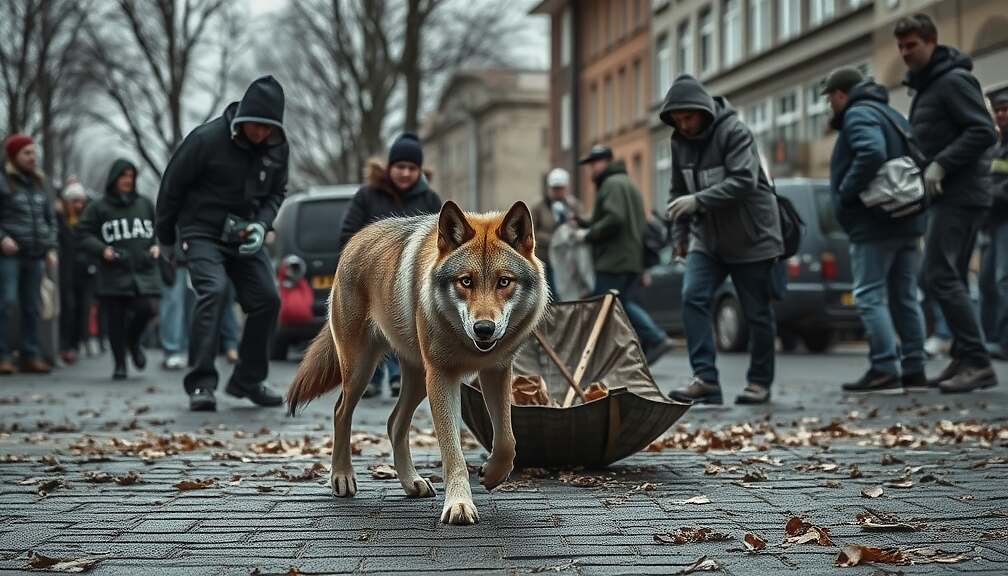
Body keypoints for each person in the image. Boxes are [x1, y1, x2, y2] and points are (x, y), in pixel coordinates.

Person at [156, 75, 288, 411]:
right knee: (213, 291)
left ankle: (249, 380)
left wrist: (261, 224)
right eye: (254, 126)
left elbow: (276, 192)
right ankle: (201, 383)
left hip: (245, 234)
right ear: (242, 119)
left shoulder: (277, 146)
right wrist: (167, 241)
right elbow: (171, 188)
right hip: (202, 231)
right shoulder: (205, 140)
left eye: (267, 128)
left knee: (268, 299)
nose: (260, 134)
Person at [659, 75, 782, 405]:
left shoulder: (734, 132)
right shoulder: (678, 143)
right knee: (692, 298)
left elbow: (743, 180)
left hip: (751, 237)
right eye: (677, 119)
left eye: (689, 117)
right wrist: (679, 238)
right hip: (707, 239)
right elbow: (677, 193)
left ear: (704, 111)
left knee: (756, 313)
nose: (683, 125)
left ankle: (759, 382)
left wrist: (698, 200)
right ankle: (706, 379)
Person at [895, 14, 998, 393]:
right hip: (948, 195)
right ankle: (964, 357)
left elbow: (984, 131)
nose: (906, 53)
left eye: (913, 45)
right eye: (901, 47)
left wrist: (941, 164)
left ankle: (977, 362)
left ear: (932, 41)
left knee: (939, 275)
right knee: (943, 276)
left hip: (961, 194)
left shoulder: (953, 81)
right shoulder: (928, 87)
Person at [820, 67, 929, 394]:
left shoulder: (858, 114)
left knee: (869, 295)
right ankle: (914, 369)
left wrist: (847, 193)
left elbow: (871, 152)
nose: (830, 106)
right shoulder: (891, 113)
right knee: (905, 297)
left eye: (829, 99)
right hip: (906, 218)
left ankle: (884, 368)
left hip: (875, 222)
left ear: (841, 94)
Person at [338, 135, 442, 398]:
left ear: (419, 170)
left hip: (411, 279)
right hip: (373, 275)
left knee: (402, 326)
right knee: (371, 328)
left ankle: (399, 376)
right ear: (389, 167)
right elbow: (349, 234)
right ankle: (370, 377)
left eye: (411, 168)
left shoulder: (430, 200)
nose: (405, 173)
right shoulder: (367, 196)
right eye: (400, 167)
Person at [574, 144, 675, 366]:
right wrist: (584, 221)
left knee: (608, 305)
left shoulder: (611, 184)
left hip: (613, 260)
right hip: (630, 259)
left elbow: (615, 218)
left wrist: (588, 233)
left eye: (594, 164)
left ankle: (655, 338)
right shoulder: (628, 184)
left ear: (606, 161)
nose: (591, 170)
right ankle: (632, 352)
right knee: (621, 304)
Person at [77, 160, 160, 380]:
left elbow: (158, 230)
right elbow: (83, 233)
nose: (127, 180)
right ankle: (120, 364)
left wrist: (156, 245)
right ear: (114, 179)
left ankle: (133, 342)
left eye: (131, 176)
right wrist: (102, 250)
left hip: (142, 271)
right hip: (113, 272)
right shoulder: (98, 207)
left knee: (147, 309)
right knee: (115, 319)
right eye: (123, 176)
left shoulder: (144, 204)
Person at [0, 134, 56, 375]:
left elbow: (50, 220)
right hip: (10, 255)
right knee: (7, 302)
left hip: (36, 254)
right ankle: (3, 356)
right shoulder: (3, 182)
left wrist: (51, 246)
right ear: (14, 156)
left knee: (32, 306)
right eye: (27, 153)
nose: (33, 157)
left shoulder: (40, 183)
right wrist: (2, 238)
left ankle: (29, 355)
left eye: (34, 152)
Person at [979, 85, 1008, 360]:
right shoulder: (997, 146)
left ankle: (1004, 341)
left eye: (1005, 110)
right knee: (987, 282)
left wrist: (988, 195)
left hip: (1005, 221)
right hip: (992, 223)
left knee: (1002, 281)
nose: (1000, 114)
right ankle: (989, 340)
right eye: (997, 110)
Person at [57, 180, 96, 365]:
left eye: (81, 201)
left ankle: (74, 344)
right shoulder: (61, 220)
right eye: (75, 201)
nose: (78, 205)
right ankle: (65, 345)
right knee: (68, 306)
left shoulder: (86, 220)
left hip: (85, 271)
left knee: (82, 308)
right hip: (66, 270)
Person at [532, 168, 582, 297]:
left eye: (560, 188)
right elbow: (531, 232)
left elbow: (580, 228)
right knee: (550, 294)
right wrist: (553, 239)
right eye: (554, 188)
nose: (557, 192)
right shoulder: (539, 207)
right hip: (545, 258)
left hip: (566, 260)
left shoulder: (574, 206)